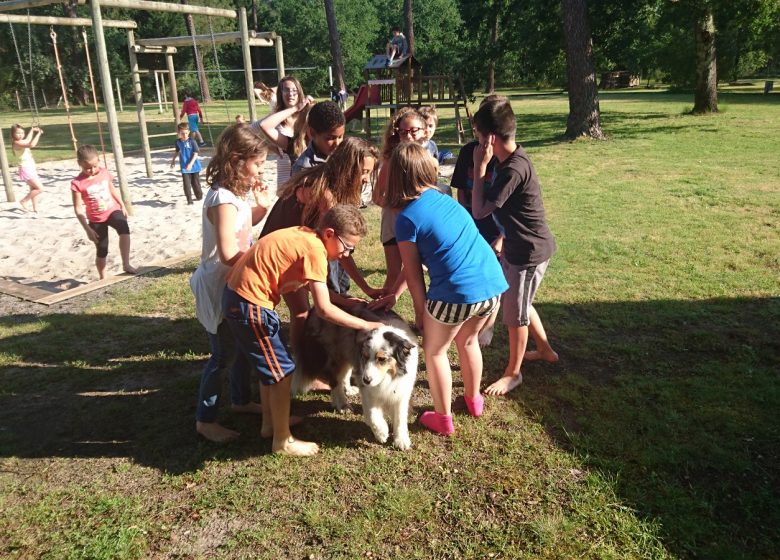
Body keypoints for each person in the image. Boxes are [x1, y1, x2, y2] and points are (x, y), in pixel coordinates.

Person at [223, 205, 385, 455]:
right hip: (249, 304)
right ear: (330, 234)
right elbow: (323, 309)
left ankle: (270, 424)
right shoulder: (315, 250)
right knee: (282, 372)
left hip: (240, 298)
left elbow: (315, 288)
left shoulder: (307, 237)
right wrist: (366, 325)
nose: (346, 254)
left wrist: (344, 301)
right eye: (347, 247)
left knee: (272, 370)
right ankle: (282, 441)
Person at [381, 143, 508, 435]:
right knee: (468, 341)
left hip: (457, 292)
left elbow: (414, 276)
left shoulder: (407, 219)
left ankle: (442, 417)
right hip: (491, 285)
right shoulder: (446, 200)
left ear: (396, 177)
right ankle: (474, 401)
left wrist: (421, 311)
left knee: (435, 351)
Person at [190, 123, 275, 443]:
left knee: (240, 348)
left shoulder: (235, 195)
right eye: (257, 164)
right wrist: (262, 256)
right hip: (219, 284)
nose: (260, 171)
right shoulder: (222, 198)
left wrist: (261, 208)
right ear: (237, 160)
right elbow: (228, 251)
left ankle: (240, 401)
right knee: (223, 355)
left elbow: (243, 223)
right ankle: (205, 419)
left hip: (234, 281)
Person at [260, 137, 380, 357]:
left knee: (311, 306)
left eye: (368, 173)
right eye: (363, 172)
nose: (365, 179)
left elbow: (341, 249)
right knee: (301, 311)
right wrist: (345, 297)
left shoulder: (330, 183)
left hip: (296, 248)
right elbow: (336, 250)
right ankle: (302, 364)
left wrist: (365, 288)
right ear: (347, 168)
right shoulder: (323, 193)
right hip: (282, 253)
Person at [471, 98, 559, 397]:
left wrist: (479, 167)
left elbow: (479, 210)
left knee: (514, 315)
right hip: (517, 246)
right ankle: (545, 350)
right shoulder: (507, 160)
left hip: (528, 253)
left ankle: (513, 373)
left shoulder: (512, 169)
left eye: (478, 135)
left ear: (489, 138)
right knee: (518, 302)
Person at [450, 95, 506, 346]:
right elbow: (461, 188)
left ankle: (488, 328)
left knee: (495, 278)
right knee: (472, 273)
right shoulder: (467, 151)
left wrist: (503, 237)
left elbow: (515, 206)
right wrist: (465, 219)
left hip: (498, 229)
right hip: (472, 226)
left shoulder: (507, 158)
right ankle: (466, 321)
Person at [373, 107, 429, 292]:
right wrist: (397, 208)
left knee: (417, 271)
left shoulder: (428, 158)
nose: (409, 136)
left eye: (414, 131)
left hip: (420, 223)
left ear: (425, 131)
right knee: (394, 273)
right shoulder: (391, 159)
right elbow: (377, 196)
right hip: (393, 224)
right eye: (404, 132)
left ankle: (420, 315)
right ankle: (382, 312)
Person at [71, 144, 137, 279]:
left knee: (123, 227)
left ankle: (126, 263)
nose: (92, 170)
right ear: (79, 164)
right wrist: (87, 229)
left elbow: (112, 189)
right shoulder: (77, 183)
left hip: (112, 210)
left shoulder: (104, 173)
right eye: (87, 168)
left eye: (95, 166)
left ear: (99, 161)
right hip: (96, 218)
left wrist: (122, 204)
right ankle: (103, 277)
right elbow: (78, 208)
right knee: (102, 248)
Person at [253, 76, 312, 192]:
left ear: (300, 92)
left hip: (306, 172)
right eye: (286, 90)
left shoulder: (307, 114)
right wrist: (267, 145)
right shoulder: (276, 116)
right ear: (280, 93)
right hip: (285, 173)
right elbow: (249, 131)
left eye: (294, 90)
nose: (291, 94)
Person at [291, 101, 346, 176]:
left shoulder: (344, 156)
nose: (337, 143)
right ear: (312, 133)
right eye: (330, 138)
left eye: (340, 137)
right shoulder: (304, 169)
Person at [11, 124, 44, 213]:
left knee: (34, 189)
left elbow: (28, 140)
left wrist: (32, 130)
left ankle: (35, 208)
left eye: (22, 132)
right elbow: (31, 144)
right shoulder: (16, 143)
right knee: (40, 188)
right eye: (18, 133)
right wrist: (38, 134)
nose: (20, 134)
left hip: (30, 167)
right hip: (26, 169)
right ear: (13, 134)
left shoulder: (22, 141)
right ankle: (24, 201)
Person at [170, 123, 203, 205]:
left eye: (185, 133)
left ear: (188, 132)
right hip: (184, 166)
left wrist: (191, 164)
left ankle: (199, 196)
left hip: (194, 166)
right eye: (182, 133)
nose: (184, 135)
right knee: (186, 184)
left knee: (195, 183)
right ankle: (189, 200)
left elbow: (196, 153)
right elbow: (177, 151)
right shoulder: (177, 142)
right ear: (178, 133)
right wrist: (173, 160)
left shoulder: (192, 141)